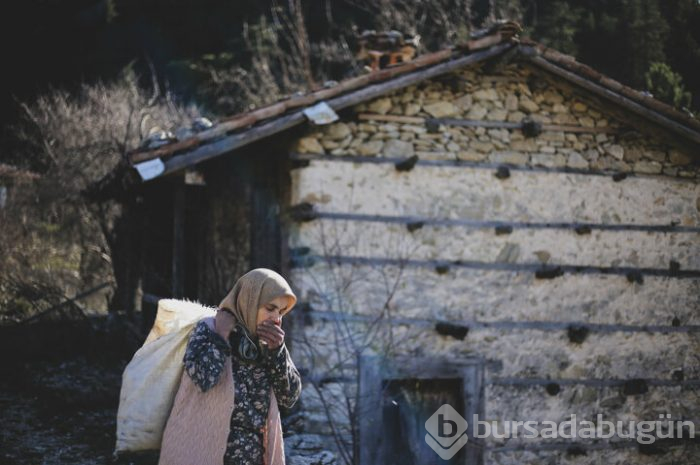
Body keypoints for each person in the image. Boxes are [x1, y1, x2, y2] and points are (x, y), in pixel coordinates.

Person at [158, 268, 302, 465]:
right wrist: (220, 337)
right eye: (270, 308)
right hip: (202, 454)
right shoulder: (210, 328)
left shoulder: (271, 345)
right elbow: (203, 379)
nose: (276, 318)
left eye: (281, 312)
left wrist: (277, 353)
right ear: (249, 301)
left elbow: (289, 397)